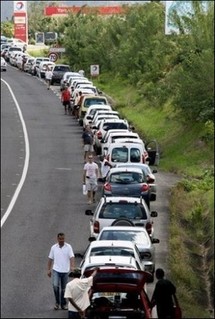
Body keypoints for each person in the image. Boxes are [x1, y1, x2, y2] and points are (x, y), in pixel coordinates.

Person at [47, 233, 75, 310]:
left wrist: (72, 267)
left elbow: (72, 257)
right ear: (57, 239)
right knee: (55, 286)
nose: (62, 240)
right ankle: (57, 303)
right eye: (60, 239)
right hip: (56, 270)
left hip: (65, 271)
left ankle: (63, 304)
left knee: (64, 288)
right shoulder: (53, 248)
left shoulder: (68, 247)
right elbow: (50, 259)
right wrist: (49, 269)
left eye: (63, 239)